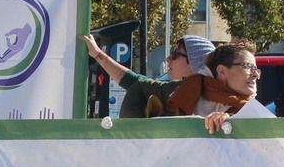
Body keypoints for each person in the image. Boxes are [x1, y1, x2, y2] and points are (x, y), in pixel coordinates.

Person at [84, 34, 261, 132]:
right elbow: (136, 83)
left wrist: (233, 124)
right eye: (248, 67)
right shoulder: (179, 93)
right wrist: (137, 137)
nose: (255, 75)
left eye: (176, 54)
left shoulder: (254, 111)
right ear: (221, 70)